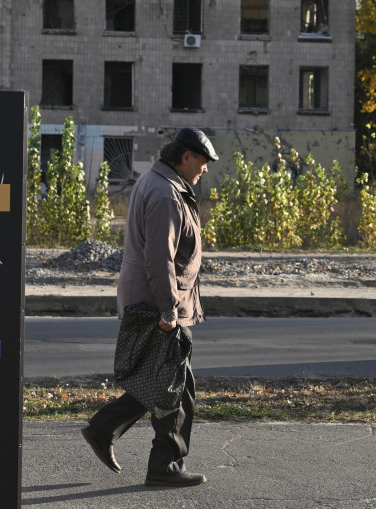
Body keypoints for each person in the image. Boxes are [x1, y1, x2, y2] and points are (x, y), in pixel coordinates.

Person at [80, 127, 218, 487]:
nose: (204, 170)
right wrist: (170, 310)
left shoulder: (155, 181)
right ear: (185, 157)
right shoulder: (167, 195)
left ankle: (105, 429)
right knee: (175, 385)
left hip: (150, 298)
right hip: (156, 303)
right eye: (202, 163)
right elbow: (160, 260)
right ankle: (163, 466)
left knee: (162, 380)